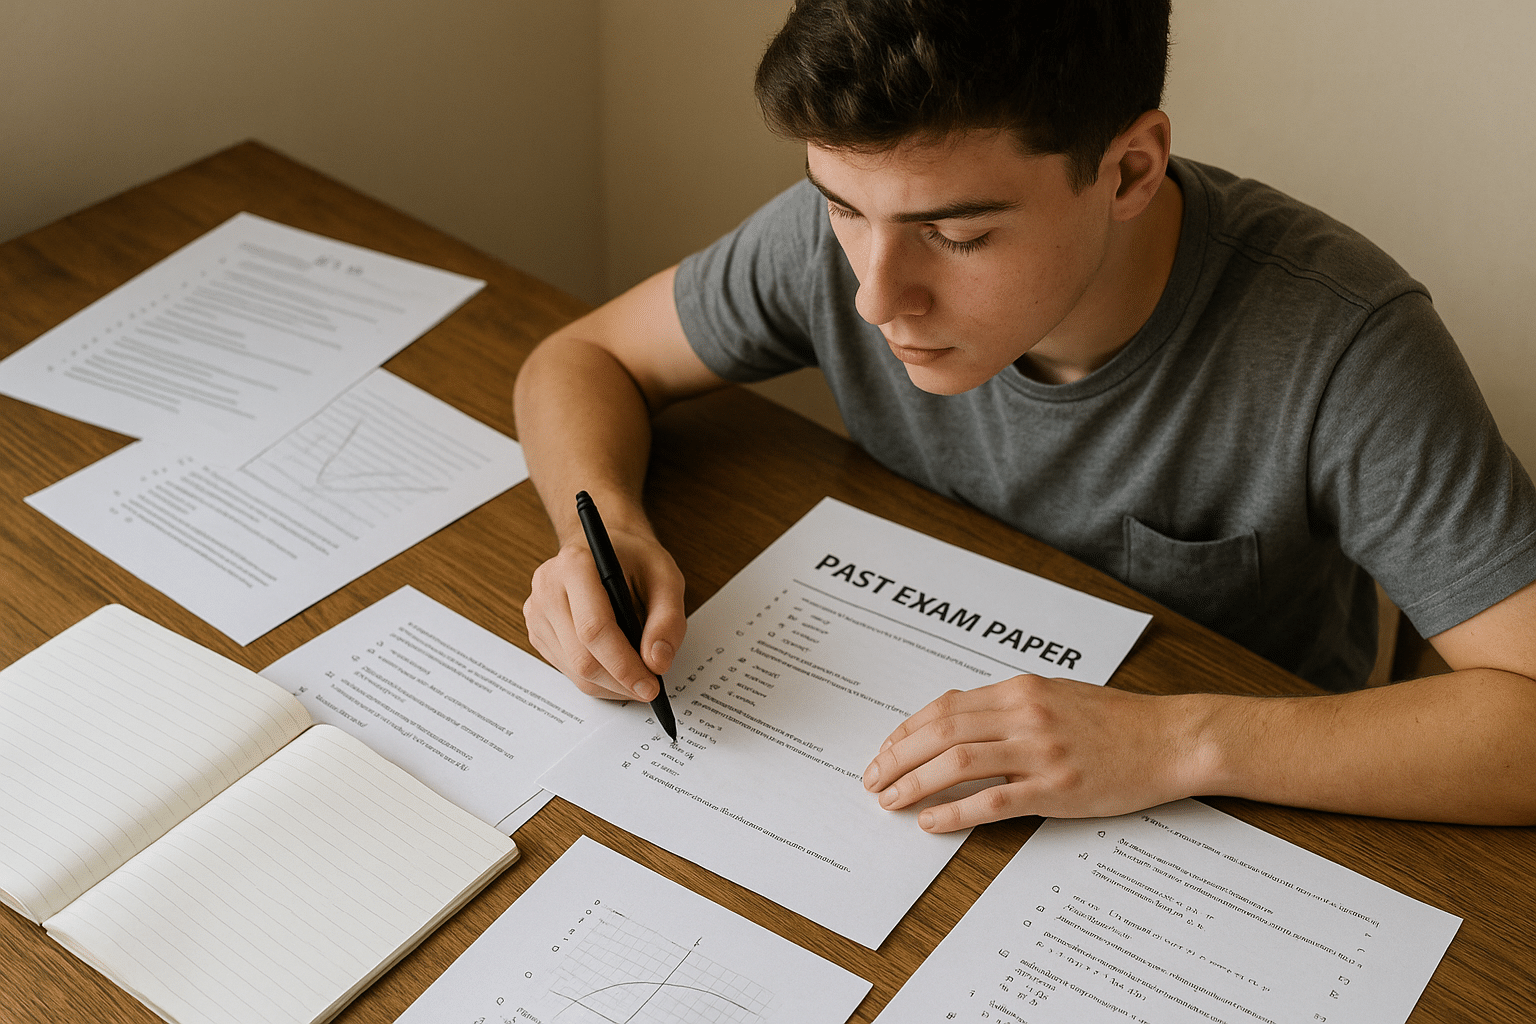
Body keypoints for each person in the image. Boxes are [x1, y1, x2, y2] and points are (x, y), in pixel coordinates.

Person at [514, 0, 1536, 832]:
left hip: (1238, 806)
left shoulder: (1344, 342)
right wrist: (600, 525)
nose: (875, 295)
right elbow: (583, 357)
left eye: (956, 232)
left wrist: (1173, 742)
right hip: (917, 752)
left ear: (1129, 169)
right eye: (840, 204)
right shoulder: (851, 240)